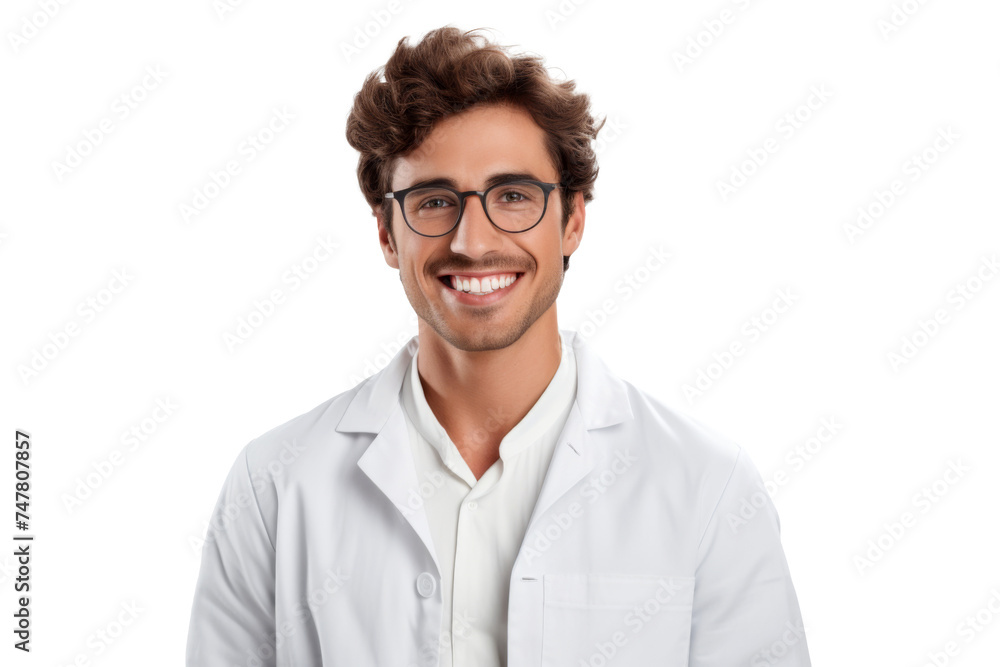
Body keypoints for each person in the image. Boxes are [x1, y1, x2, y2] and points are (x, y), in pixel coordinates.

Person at [185, 25, 812, 667]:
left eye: (513, 196)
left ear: (572, 220)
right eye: (433, 201)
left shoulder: (706, 486)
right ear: (386, 234)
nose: (472, 241)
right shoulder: (275, 487)